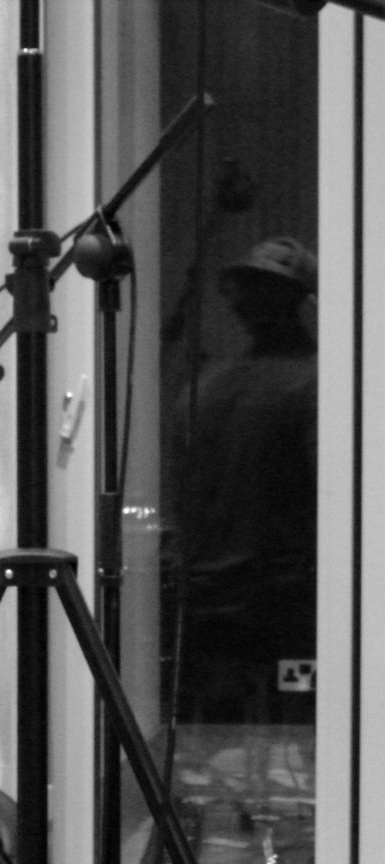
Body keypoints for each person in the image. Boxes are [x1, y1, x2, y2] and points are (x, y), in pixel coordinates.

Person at [171, 235, 317, 726]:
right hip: (283, 606)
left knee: (215, 739)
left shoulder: (205, 387)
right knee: (299, 734)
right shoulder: (318, 382)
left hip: (210, 600)